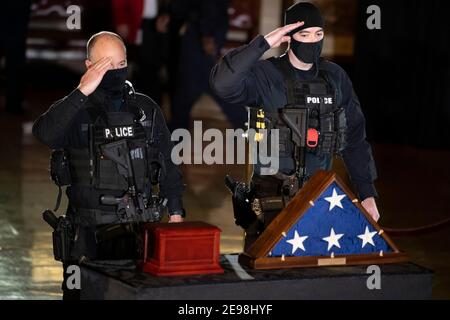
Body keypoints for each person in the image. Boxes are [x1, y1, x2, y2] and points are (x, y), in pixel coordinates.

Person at [210, 2, 380, 249]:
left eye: (318, 34)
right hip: (271, 195)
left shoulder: (335, 77)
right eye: (304, 34)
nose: (312, 41)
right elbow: (222, 83)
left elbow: (354, 139)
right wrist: (264, 43)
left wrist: (367, 193)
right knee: (267, 276)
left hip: (320, 194)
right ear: (289, 37)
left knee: (312, 274)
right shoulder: (266, 74)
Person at [32, 31, 185, 299]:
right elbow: (45, 133)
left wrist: (175, 212)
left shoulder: (144, 109)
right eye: (106, 65)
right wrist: (82, 91)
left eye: (121, 64)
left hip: (138, 231)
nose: (115, 71)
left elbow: (168, 163)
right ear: (89, 66)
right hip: (86, 234)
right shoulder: (76, 110)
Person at [169, 0, 247, 131]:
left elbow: (208, 6)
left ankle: (246, 124)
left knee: (199, 85)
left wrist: (207, 36)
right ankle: (246, 124)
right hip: (204, 33)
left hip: (201, 36)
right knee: (189, 90)